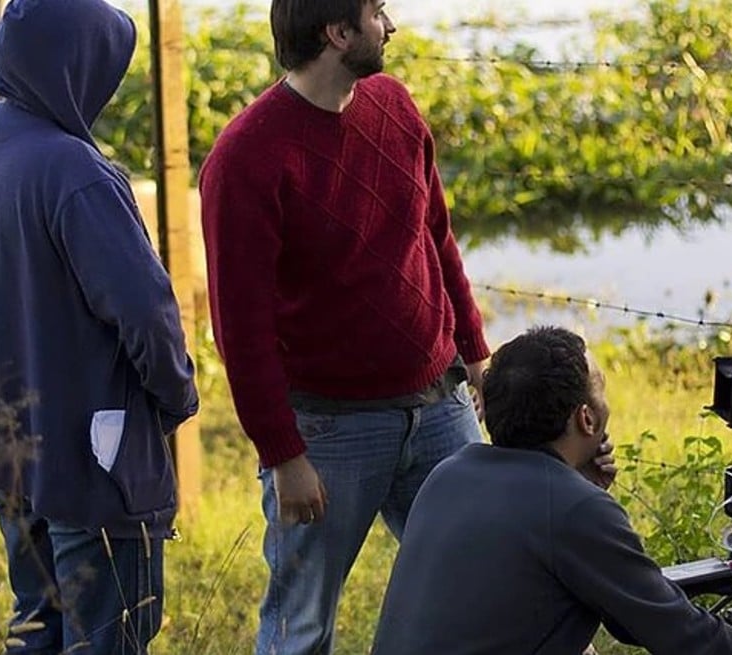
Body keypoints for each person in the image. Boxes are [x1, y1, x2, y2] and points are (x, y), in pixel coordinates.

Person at [196, 1, 505, 652]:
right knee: (301, 625)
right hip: (330, 431)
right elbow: (240, 326)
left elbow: (437, 238)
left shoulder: (395, 105)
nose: (390, 25)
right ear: (337, 34)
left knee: (487, 583)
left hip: (438, 406)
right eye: (376, 13)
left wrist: (475, 353)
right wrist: (283, 453)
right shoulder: (246, 156)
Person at [0, 0, 199, 653]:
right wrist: (175, 397)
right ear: (73, 67)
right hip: (90, 458)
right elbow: (146, 310)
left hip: (5, 444)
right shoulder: (76, 172)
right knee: (108, 633)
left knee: (36, 628)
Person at [371, 326, 732, 655]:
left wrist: (579, 486)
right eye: (600, 388)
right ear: (586, 417)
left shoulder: (449, 473)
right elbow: (677, 633)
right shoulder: (571, 508)